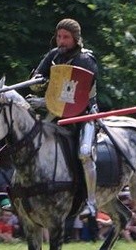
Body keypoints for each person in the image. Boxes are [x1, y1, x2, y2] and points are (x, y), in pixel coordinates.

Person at [29, 18, 99, 218]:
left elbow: (74, 98)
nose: (61, 41)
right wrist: (37, 80)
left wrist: (42, 103)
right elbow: (36, 82)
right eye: (59, 36)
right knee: (30, 143)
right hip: (56, 114)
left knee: (85, 153)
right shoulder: (53, 55)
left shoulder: (86, 60)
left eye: (66, 37)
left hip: (84, 114)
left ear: (76, 39)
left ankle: (91, 202)